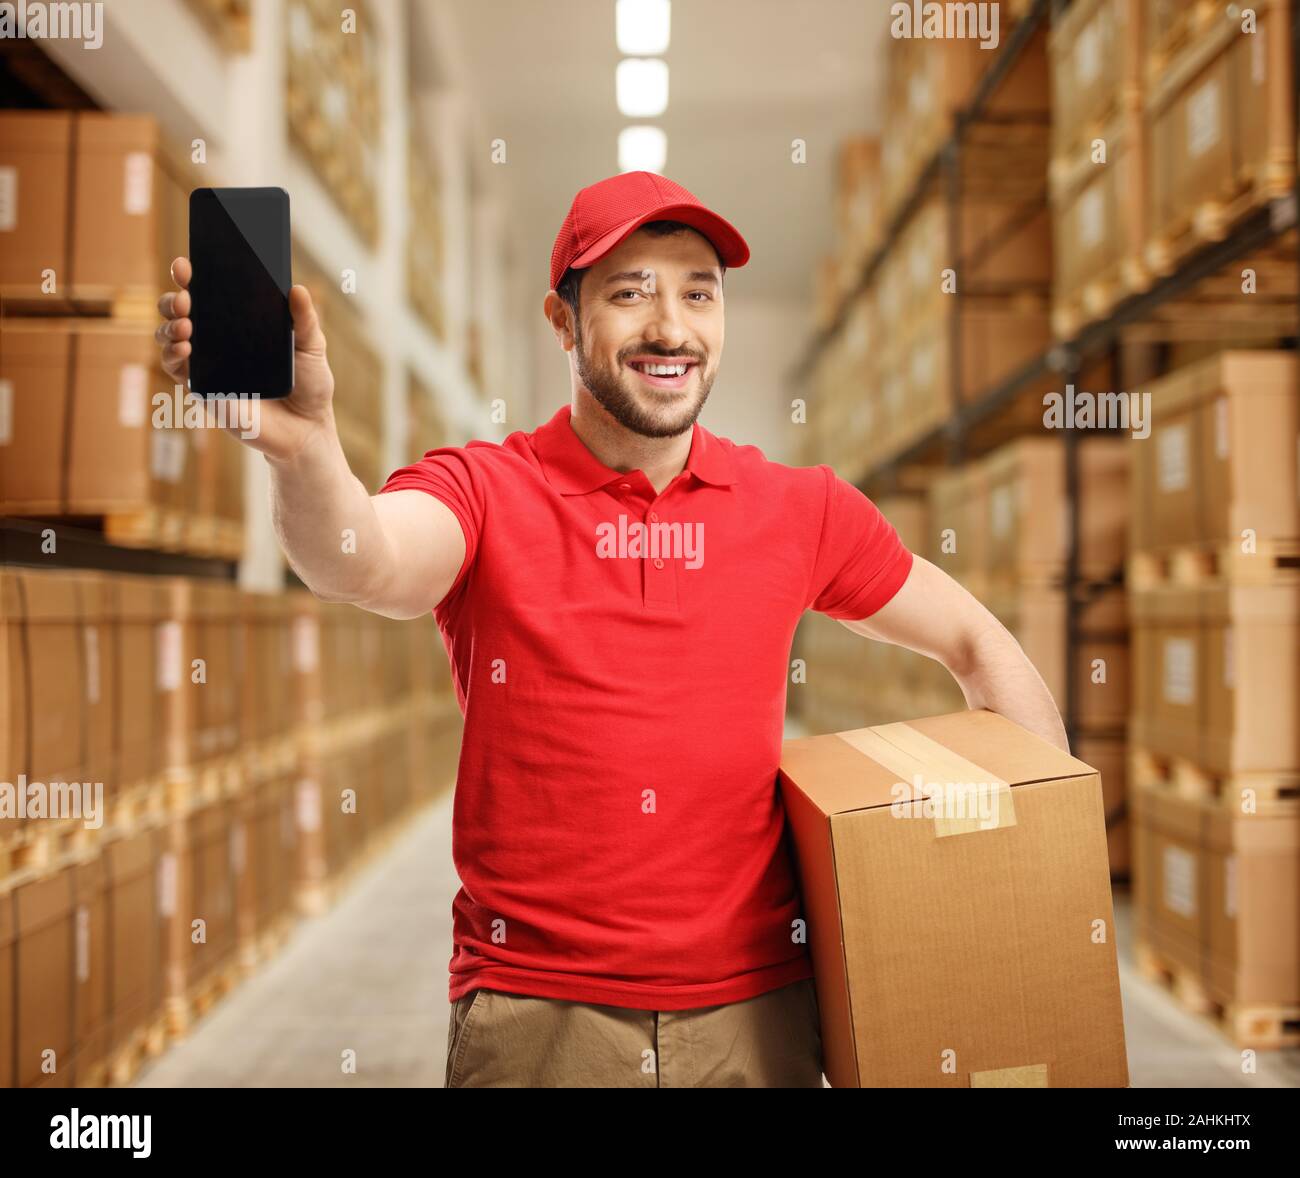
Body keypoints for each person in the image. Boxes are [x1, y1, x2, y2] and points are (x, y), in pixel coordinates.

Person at [156, 170, 1067, 1088]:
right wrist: (308, 451)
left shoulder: (801, 508)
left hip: (758, 1021)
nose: (670, 327)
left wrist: (1040, 859)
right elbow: (361, 561)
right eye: (630, 293)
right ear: (562, 320)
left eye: (697, 293)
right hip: (540, 1018)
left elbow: (975, 641)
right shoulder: (484, 489)